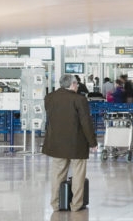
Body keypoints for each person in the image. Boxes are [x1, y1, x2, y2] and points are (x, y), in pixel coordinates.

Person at [43, 74, 95, 211]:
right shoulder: (79, 99)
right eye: (77, 84)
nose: (78, 86)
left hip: (56, 143)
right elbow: (86, 123)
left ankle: (55, 204)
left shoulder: (50, 97)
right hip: (76, 144)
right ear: (72, 84)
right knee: (78, 174)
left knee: (57, 174)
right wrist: (92, 142)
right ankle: (76, 205)